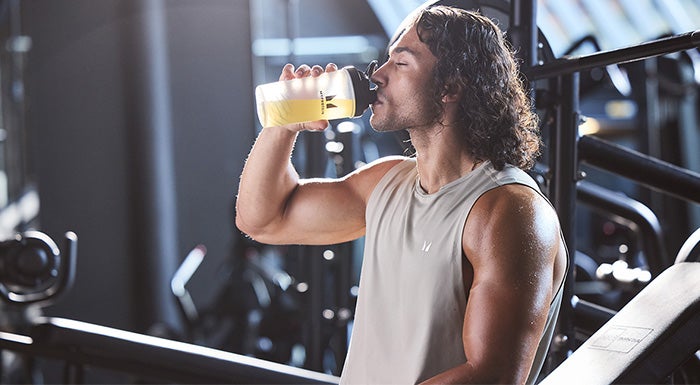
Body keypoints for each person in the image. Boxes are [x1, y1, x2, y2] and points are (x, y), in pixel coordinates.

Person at [236, 4, 568, 384]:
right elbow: (262, 219)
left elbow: (489, 376)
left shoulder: (508, 210)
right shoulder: (385, 183)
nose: (377, 75)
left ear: (451, 87)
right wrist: (284, 125)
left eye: (401, 63)